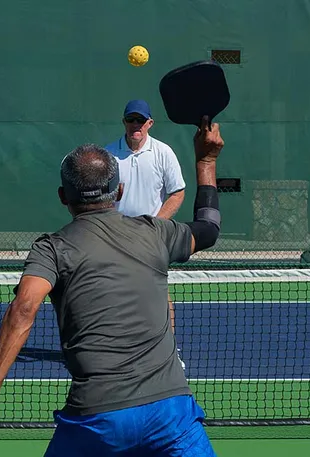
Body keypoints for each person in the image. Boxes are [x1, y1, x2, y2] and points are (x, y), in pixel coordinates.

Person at [0, 117, 224, 456]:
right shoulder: (156, 233)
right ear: (120, 190)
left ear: (61, 197)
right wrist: (206, 162)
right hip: (170, 415)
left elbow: (24, 309)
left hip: (97, 420)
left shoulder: (52, 248)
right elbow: (209, 227)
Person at [106, 99, 187, 368]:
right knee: (113, 295)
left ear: (149, 123)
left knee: (158, 294)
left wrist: (156, 224)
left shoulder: (163, 153)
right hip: (116, 238)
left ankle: (168, 353)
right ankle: (117, 352)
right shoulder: (109, 155)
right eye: (131, 120)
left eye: (140, 121)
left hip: (152, 237)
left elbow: (177, 192)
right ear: (124, 122)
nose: (135, 126)